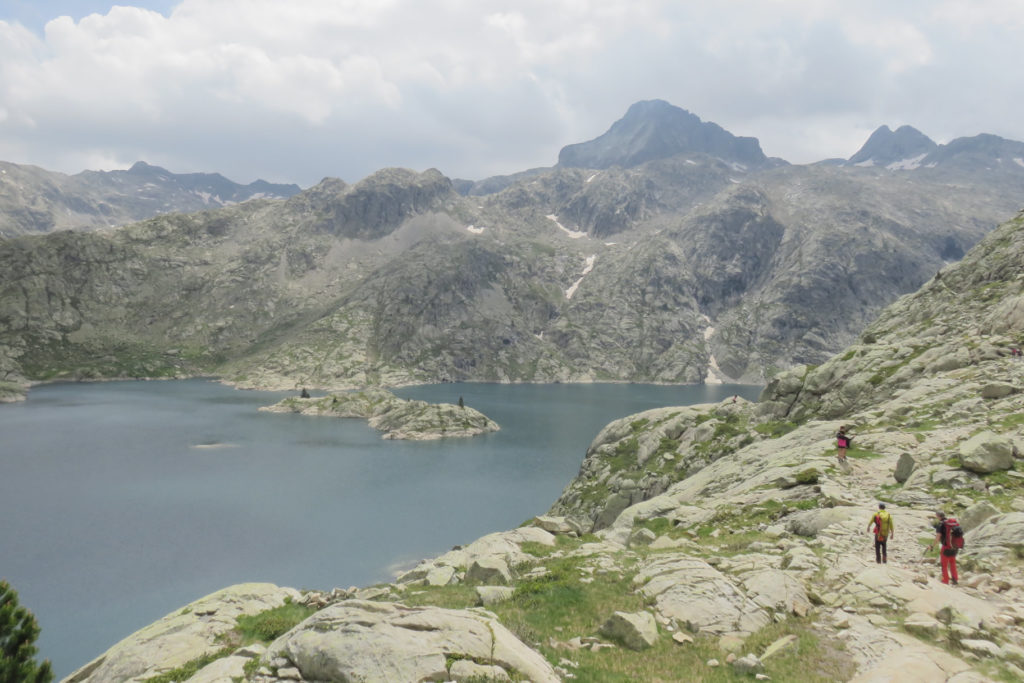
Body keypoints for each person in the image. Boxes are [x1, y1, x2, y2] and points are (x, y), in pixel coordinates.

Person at [929, 511, 959, 585]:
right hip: (955, 547)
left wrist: (932, 545)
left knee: (944, 564)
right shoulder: (953, 524)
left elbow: (938, 537)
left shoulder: (941, 525)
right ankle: (955, 579)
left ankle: (945, 580)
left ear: (938, 516)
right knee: (952, 562)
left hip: (946, 546)